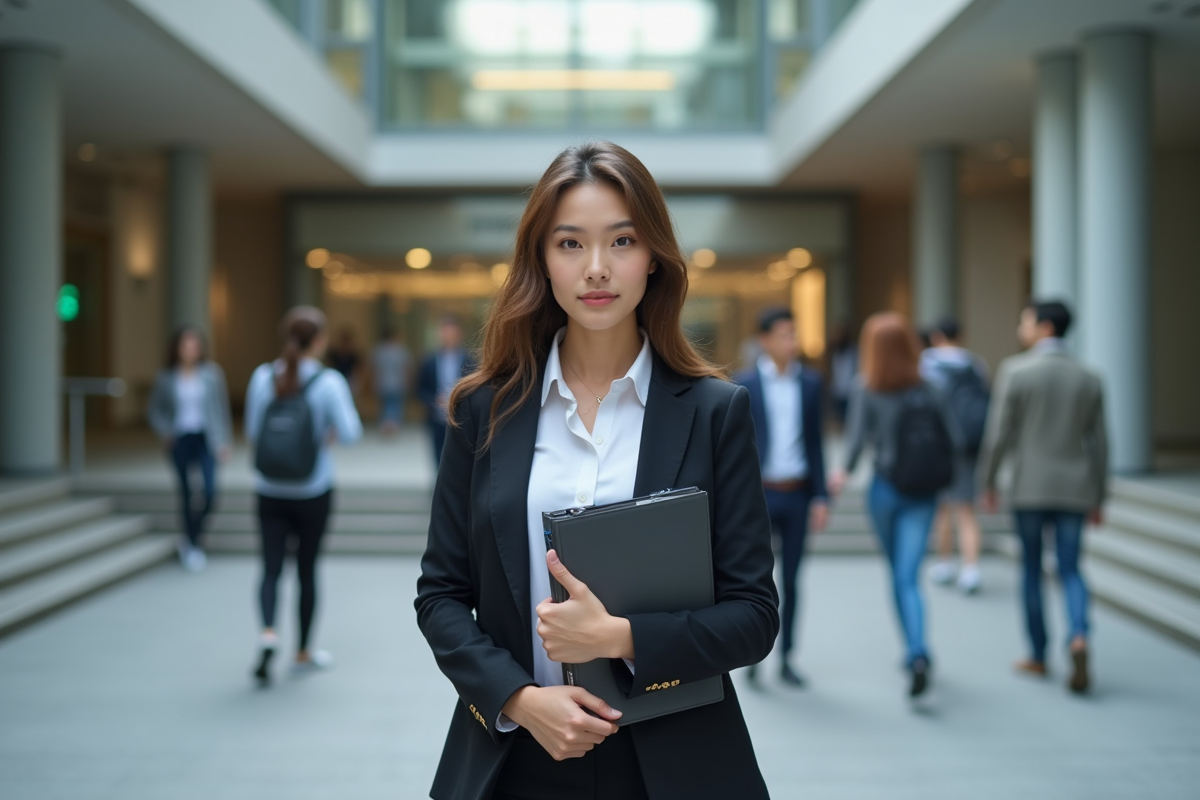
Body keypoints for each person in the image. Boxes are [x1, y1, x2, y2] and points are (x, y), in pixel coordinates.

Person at [414, 142, 778, 800]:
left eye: (622, 241)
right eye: (571, 244)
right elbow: (440, 595)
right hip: (514, 756)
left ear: (654, 259)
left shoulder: (715, 412)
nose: (598, 269)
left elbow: (753, 615)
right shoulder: (483, 410)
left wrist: (622, 638)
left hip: (672, 765)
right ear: (541, 260)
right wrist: (519, 698)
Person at [979, 300, 1107, 695]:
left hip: (1029, 487)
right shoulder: (1089, 376)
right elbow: (1100, 443)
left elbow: (1000, 434)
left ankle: (1037, 653)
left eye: (1027, 321)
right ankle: (1079, 634)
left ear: (1046, 328)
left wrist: (987, 481)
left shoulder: (1016, 372)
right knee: (1071, 568)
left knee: (1032, 570)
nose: (1022, 327)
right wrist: (1099, 495)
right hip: (1075, 487)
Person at [830, 312, 959, 700]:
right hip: (923, 492)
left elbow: (854, 442)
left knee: (897, 574)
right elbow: (952, 437)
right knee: (910, 576)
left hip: (885, 490)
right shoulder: (931, 386)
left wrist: (841, 475)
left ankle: (913, 652)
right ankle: (918, 651)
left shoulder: (866, 387)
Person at [244, 307, 363, 685]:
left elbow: (251, 430)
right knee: (307, 570)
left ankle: (267, 633)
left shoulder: (263, 376)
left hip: (269, 488)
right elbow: (351, 432)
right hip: (312, 489)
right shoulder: (328, 383)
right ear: (320, 340)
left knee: (270, 567)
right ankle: (303, 651)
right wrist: (325, 434)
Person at [735, 307, 829, 687]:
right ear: (765, 340)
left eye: (794, 334)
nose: (792, 342)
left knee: (793, 580)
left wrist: (821, 496)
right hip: (759, 496)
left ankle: (788, 656)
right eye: (785, 334)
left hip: (798, 494)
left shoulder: (810, 382)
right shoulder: (743, 383)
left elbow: (817, 442)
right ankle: (756, 653)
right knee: (757, 581)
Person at [147, 327, 232, 573]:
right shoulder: (166, 377)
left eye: (195, 346)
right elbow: (155, 410)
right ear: (176, 348)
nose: (190, 350)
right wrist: (165, 432)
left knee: (210, 491)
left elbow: (220, 409)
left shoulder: (212, 374)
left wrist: (224, 441)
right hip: (180, 438)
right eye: (185, 345)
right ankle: (191, 542)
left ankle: (193, 536)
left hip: (206, 438)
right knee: (186, 492)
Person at [920, 317, 990, 594]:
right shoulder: (975, 364)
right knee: (966, 508)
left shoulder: (926, 363)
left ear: (936, 335)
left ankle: (945, 562)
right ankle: (971, 569)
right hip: (968, 446)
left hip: (937, 445)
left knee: (941, 507)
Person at [417, 315, 472, 467]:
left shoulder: (470, 360)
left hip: (462, 420)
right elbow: (420, 389)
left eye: (451, 332)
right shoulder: (429, 360)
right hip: (436, 419)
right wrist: (434, 400)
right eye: (445, 332)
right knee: (438, 459)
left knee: (461, 461)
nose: (448, 336)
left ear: (459, 333)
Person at [371, 327, 412, 435]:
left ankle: (385, 425)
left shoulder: (379, 350)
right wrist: (408, 382)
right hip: (398, 383)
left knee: (385, 405)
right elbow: (406, 368)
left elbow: (374, 369)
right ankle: (393, 426)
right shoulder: (400, 350)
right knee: (396, 404)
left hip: (382, 383)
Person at [828, 322, 858, 429]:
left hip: (851, 388)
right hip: (837, 387)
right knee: (839, 413)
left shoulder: (853, 351)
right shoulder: (835, 350)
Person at [328, 327, 362, 395]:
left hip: (350, 381)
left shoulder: (353, 356)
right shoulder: (334, 355)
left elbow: (359, 370)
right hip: (337, 379)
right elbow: (330, 366)